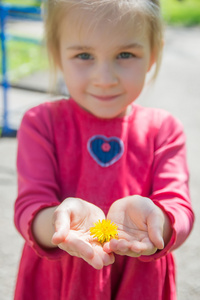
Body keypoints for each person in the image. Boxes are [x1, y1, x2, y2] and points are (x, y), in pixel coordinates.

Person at [14, 0, 194, 299]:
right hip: (57, 282)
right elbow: (28, 208)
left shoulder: (164, 129)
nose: (105, 78)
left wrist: (156, 222)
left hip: (139, 281)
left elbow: (180, 209)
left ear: (153, 54)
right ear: (56, 54)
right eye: (84, 55)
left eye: (126, 54)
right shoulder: (40, 123)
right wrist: (60, 221)